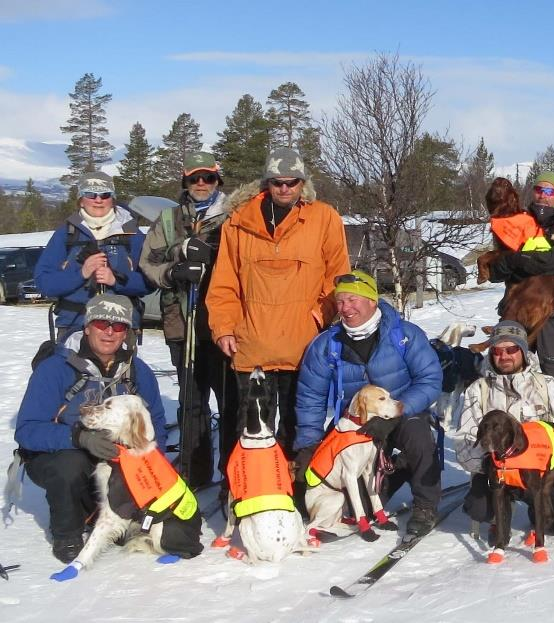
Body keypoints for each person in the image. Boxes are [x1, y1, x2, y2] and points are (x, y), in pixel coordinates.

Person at [207, 147, 350, 459]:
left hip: (303, 344)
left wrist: (319, 317)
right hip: (251, 344)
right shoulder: (238, 221)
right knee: (250, 427)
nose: (285, 188)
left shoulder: (324, 218)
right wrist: (223, 329)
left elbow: (337, 277)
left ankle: (294, 490)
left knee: (298, 426)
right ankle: (244, 493)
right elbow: (224, 283)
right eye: (277, 182)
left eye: (292, 182)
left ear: (303, 184)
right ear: (266, 183)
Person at [14, 294, 170, 563]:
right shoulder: (55, 367)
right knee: (69, 466)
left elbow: (155, 425)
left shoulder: (138, 371)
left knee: (128, 529)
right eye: (101, 323)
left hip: (116, 459)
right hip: (61, 452)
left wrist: (151, 464)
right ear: (87, 327)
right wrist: (79, 437)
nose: (109, 332)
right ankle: (67, 533)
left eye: (119, 326)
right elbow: (27, 430)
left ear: (127, 333)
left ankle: (108, 517)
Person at [294, 271, 444, 536]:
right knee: (353, 506)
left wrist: (397, 414)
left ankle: (425, 505)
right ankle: (393, 472)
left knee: (418, 436)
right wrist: (309, 444)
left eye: (352, 300)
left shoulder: (404, 335)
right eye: (340, 301)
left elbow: (430, 379)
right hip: (355, 425)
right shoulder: (326, 345)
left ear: (372, 301)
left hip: (401, 413)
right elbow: (310, 397)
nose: (345, 308)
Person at [455, 321, 554, 539]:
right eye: (498, 351)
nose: (504, 356)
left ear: (524, 352)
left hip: (543, 476)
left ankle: (542, 513)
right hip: (498, 473)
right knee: (479, 507)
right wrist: (496, 462)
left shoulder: (547, 385)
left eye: (511, 349)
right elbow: (464, 444)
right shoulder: (478, 390)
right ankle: (498, 514)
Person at [140, 152, 235, 487]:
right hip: (181, 322)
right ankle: (194, 470)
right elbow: (147, 263)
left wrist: (215, 257)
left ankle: (231, 471)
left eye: (207, 178)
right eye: (194, 178)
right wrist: (174, 268)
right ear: (185, 180)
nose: (200, 184)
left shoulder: (233, 216)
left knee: (229, 400)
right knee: (191, 400)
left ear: (217, 180)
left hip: (223, 325)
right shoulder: (168, 220)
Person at [484, 171, 554, 394]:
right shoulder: (516, 220)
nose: (543, 196)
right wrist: (514, 259)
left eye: (549, 191)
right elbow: (494, 270)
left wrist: (525, 260)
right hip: (516, 314)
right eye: (539, 190)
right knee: (508, 384)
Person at [34, 172, 153, 340]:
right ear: (81, 200)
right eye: (90, 194)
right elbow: (44, 283)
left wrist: (116, 281)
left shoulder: (132, 233)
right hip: (74, 326)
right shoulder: (66, 234)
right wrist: (81, 274)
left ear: (112, 199)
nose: (98, 200)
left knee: (121, 367)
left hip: (120, 328)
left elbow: (150, 281)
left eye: (105, 195)